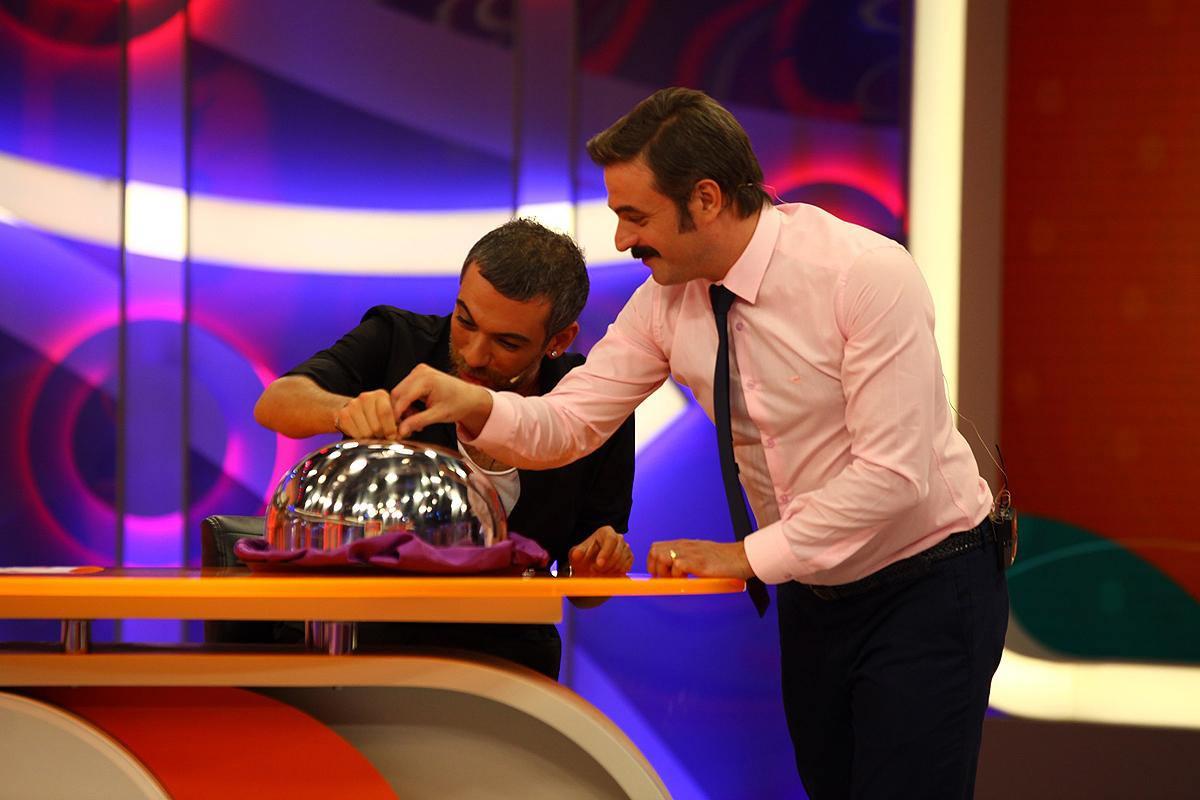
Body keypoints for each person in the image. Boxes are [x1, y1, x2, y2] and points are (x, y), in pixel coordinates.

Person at [386, 88, 1012, 798]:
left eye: (635, 216)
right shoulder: (665, 301)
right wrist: (475, 404)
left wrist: (744, 556)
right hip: (812, 591)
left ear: (706, 199)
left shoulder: (865, 274)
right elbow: (569, 422)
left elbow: (894, 477)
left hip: (926, 579)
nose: (621, 240)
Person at [253, 218, 636, 680]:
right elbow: (275, 402)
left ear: (558, 340)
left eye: (507, 343)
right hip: (359, 639)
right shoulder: (398, 340)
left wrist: (596, 568)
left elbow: (584, 590)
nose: (473, 355)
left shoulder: (587, 405)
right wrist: (344, 410)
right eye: (465, 321)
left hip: (509, 661)